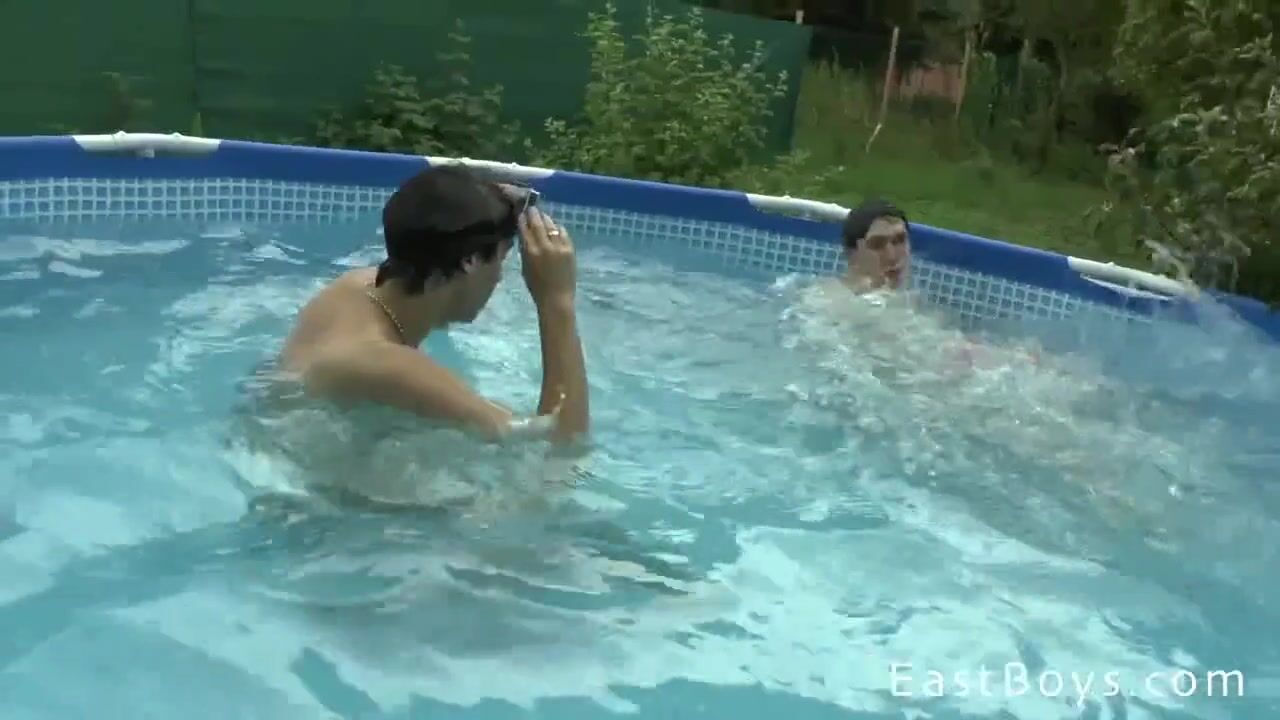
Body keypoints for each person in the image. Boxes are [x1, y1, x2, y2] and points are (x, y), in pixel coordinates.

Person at [272, 165, 590, 446]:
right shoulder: (387, 365)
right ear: (470, 261)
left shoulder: (355, 287)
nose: (499, 278)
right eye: (501, 260)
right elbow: (558, 443)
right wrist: (556, 301)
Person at [838, 198, 911, 293]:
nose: (892, 257)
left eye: (900, 240)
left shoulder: (912, 297)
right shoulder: (831, 298)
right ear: (852, 255)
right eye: (877, 245)